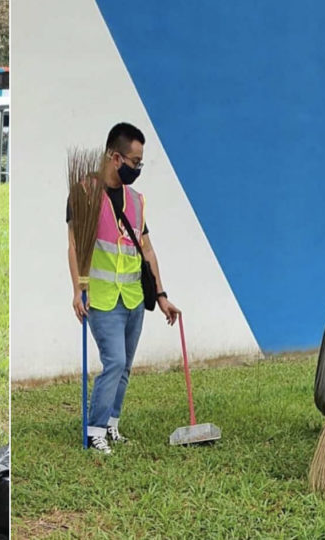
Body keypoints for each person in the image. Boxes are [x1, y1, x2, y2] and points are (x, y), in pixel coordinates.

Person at [66, 122, 182, 454]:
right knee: (114, 361)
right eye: (134, 162)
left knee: (126, 366)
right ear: (115, 158)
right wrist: (78, 289)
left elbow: (146, 248)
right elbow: (74, 247)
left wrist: (160, 295)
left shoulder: (136, 200)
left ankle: (112, 423)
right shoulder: (83, 192)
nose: (138, 168)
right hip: (101, 298)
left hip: (133, 298)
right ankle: (94, 430)